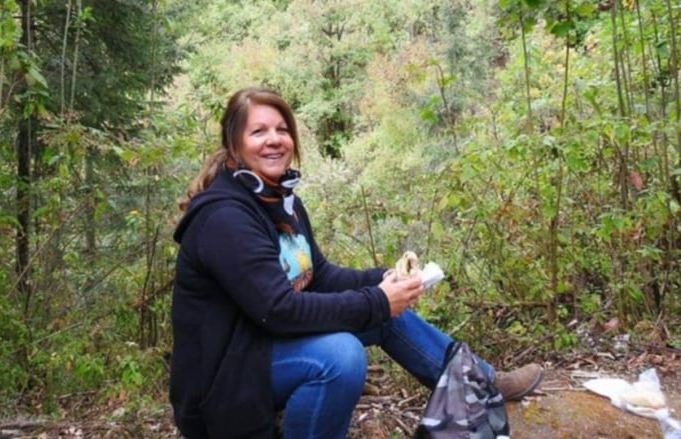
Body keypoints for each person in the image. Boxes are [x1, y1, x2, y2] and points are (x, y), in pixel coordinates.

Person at [170, 86, 543, 439]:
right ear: (234, 145)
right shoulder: (225, 219)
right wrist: (377, 300)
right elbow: (278, 309)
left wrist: (383, 282)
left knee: (386, 311)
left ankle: (480, 382)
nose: (274, 139)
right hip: (224, 379)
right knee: (340, 357)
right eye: (258, 131)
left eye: (282, 129)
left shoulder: (278, 199)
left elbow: (318, 276)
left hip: (261, 345)